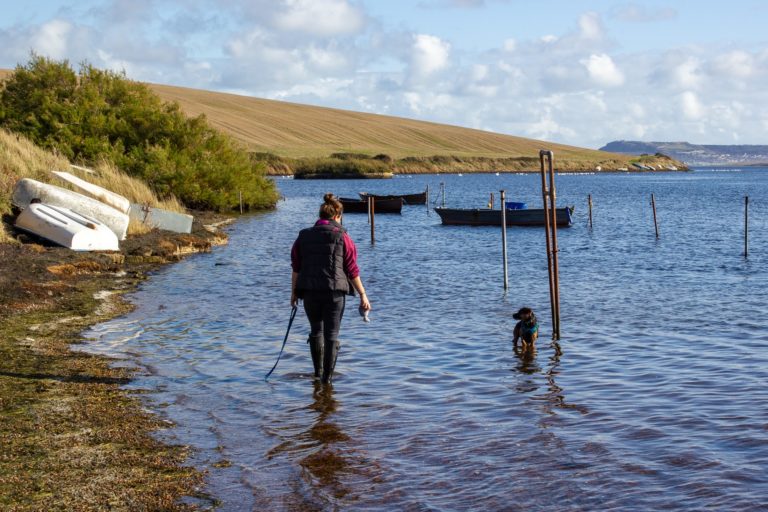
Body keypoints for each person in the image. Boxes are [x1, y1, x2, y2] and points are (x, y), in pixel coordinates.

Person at [291, 193, 371, 384]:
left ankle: (317, 376)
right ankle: (327, 381)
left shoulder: (303, 235)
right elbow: (352, 269)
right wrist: (363, 295)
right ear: (337, 216)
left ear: (320, 215)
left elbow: (296, 267)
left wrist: (293, 293)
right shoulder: (344, 237)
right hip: (335, 292)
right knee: (331, 336)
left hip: (310, 292)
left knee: (316, 332)